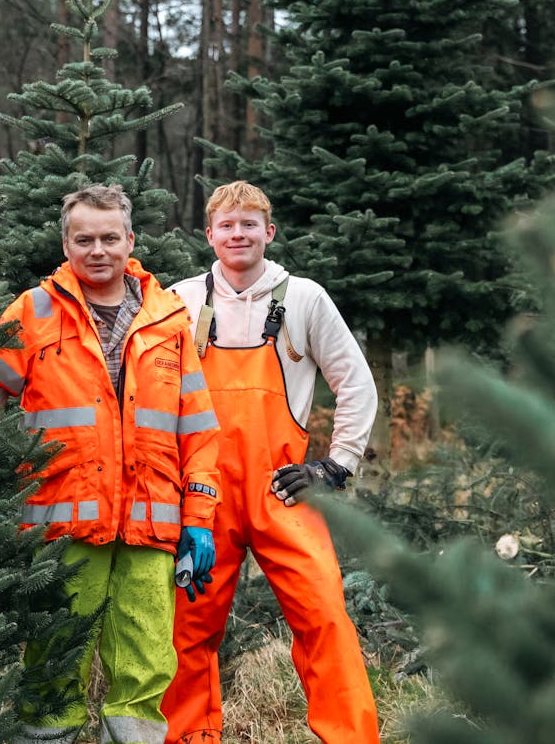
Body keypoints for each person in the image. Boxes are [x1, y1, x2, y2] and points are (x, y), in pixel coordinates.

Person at [0, 183, 223, 744]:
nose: (98, 250)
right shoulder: (35, 310)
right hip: (61, 523)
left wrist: (200, 517)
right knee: (54, 657)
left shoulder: (168, 318)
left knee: (146, 661)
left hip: (153, 522)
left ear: (130, 241)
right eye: (85, 239)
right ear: (66, 244)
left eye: (109, 238)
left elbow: (197, 426)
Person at [162, 181, 380, 743]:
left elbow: (355, 383)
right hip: (202, 494)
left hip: (284, 490)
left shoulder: (304, 297)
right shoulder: (179, 301)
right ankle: (187, 737)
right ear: (209, 234)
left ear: (269, 232)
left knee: (325, 615)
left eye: (250, 224)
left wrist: (335, 467)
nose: (238, 234)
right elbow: (149, 390)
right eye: (227, 225)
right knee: (188, 628)